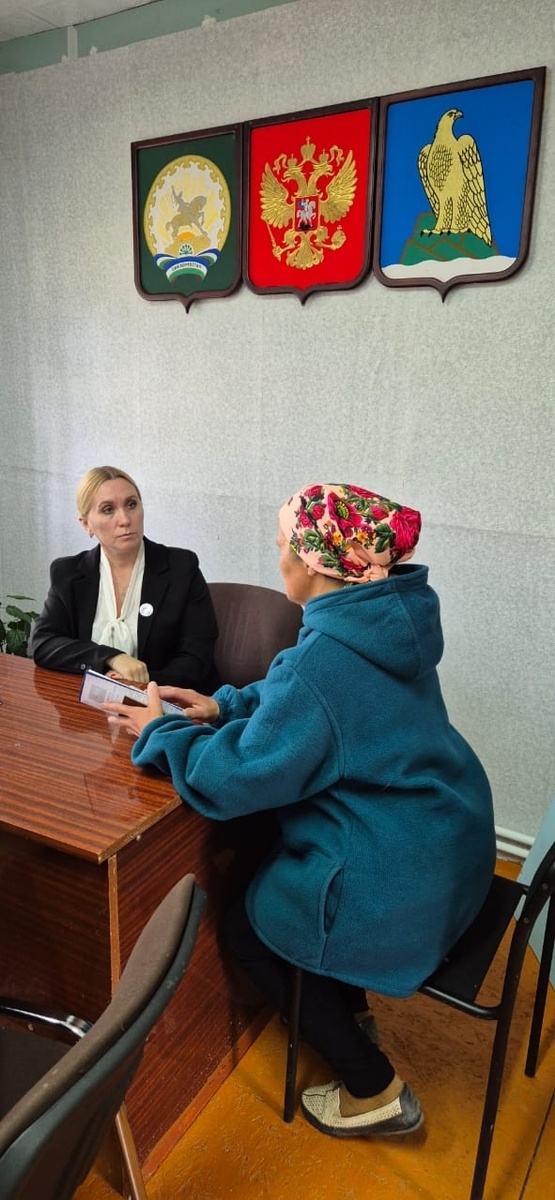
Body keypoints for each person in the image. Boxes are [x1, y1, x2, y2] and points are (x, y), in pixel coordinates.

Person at [103, 482, 496, 1140]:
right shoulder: (377, 621)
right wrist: (223, 705)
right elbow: (304, 697)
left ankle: (374, 1090)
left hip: (401, 872)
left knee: (246, 928)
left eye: (284, 544)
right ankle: (350, 1010)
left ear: (314, 564)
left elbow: (233, 778)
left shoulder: (324, 662)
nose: (277, 553)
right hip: (444, 835)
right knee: (274, 874)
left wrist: (159, 729)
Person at [31, 465, 219, 690]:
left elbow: (197, 658)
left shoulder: (181, 567)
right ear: (86, 524)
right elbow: (44, 643)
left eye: (131, 505)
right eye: (108, 510)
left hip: (167, 701)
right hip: (93, 702)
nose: (125, 519)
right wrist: (110, 657)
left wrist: (135, 685)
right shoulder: (68, 573)